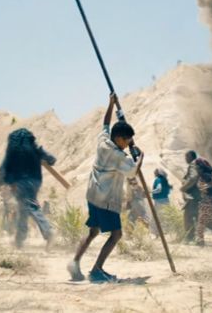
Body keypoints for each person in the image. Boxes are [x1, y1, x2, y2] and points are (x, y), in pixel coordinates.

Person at [68, 94, 142, 283]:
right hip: (105, 200)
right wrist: (140, 156)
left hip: (93, 195)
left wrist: (110, 105)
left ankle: (75, 262)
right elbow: (132, 172)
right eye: (127, 140)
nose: (127, 144)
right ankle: (96, 271)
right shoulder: (118, 155)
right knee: (116, 234)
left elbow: (105, 124)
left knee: (93, 231)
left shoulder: (103, 141)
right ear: (118, 139)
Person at [0, 127, 55, 248]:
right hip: (36, 182)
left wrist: (4, 182)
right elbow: (52, 160)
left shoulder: (13, 152)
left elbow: (4, 168)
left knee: (31, 206)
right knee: (23, 210)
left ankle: (48, 231)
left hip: (21, 183)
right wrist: (43, 155)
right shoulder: (35, 150)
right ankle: (19, 240)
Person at [180, 150, 202, 243]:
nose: (185, 159)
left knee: (188, 217)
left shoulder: (192, 165)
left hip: (192, 196)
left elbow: (193, 177)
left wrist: (184, 187)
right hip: (197, 196)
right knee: (197, 217)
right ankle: (198, 238)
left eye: (187, 156)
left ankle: (190, 238)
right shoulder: (197, 164)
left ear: (191, 157)